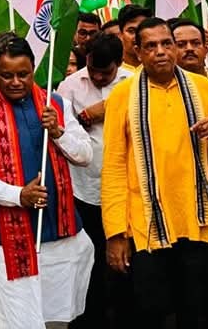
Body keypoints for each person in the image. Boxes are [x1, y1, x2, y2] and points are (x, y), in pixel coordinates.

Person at [102, 18, 208, 327]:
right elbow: (113, 166)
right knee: (151, 313)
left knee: (197, 313)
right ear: (137, 51)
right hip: (146, 225)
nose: (160, 51)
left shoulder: (201, 87)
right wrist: (115, 234)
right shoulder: (123, 95)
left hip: (198, 221)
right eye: (151, 46)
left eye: (166, 44)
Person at [0, 36, 94, 329]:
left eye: (23, 74)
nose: (15, 82)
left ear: (34, 69)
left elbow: (85, 155)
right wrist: (19, 195)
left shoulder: (56, 104)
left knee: (57, 320)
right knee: (18, 322)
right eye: (6, 75)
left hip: (63, 239)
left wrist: (58, 132)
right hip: (9, 243)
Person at [57, 33, 131, 329]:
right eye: (93, 71)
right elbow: (61, 131)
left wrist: (111, 106)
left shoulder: (132, 83)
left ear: (120, 63)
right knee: (89, 258)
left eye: (105, 72)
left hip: (125, 188)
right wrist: (86, 116)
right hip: (82, 188)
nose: (98, 77)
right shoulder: (70, 86)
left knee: (125, 261)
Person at [116, 5, 152, 72]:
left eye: (142, 30)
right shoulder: (112, 72)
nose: (137, 36)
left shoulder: (158, 69)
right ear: (120, 34)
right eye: (131, 31)